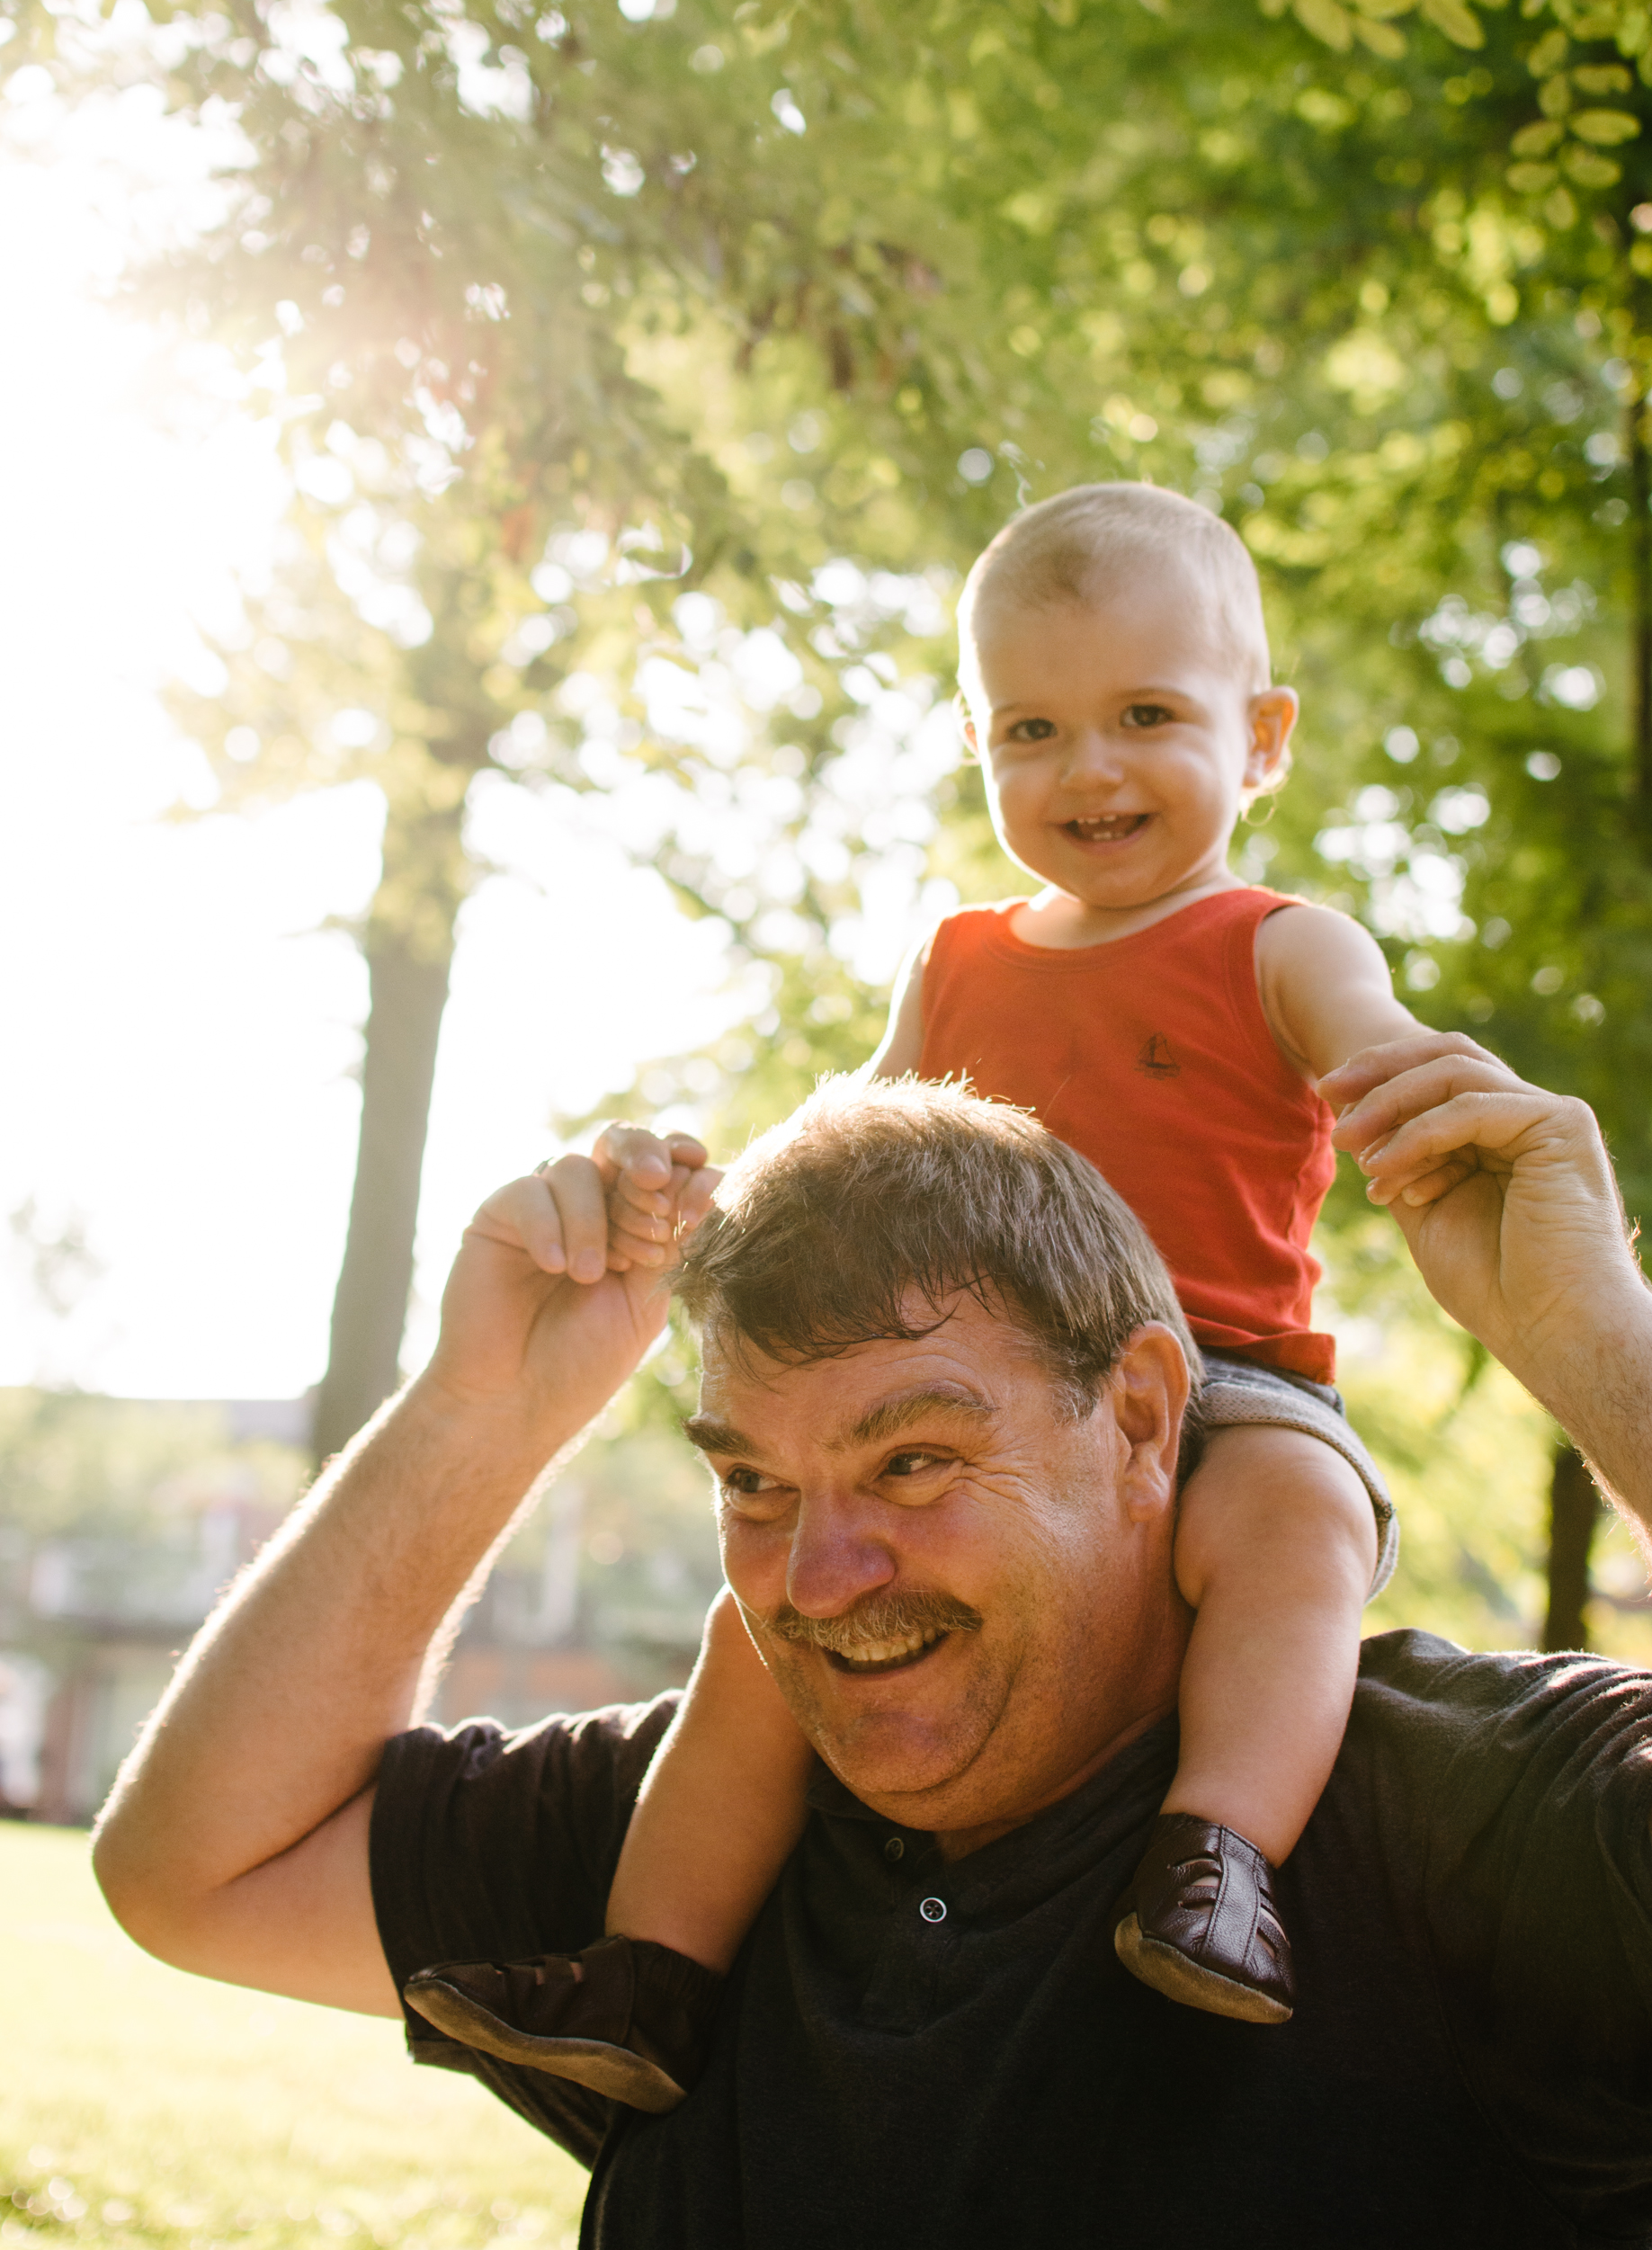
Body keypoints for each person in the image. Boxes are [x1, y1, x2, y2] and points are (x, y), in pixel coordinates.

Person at [93, 1046, 1652, 2247]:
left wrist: (1600, 1345)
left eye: (914, 1460)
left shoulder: (1446, 1810)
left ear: (1140, 1418)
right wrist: (486, 1410)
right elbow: (196, 1867)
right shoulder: (701, 1841)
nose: (818, 1576)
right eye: (753, 1480)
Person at [408, 481, 1439, 2100]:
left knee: (1299, 1529)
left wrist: (1455, 1116)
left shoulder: (1280, 947)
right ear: (977, 746)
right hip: (967, 1409)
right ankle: (648, 1976)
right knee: (770, 1632)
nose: (1088, 769)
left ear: (1262, 740)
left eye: (1146, 715)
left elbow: (1393, 1062)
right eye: (1031, 729)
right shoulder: (961, 960)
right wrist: (701, 1197)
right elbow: (849, 1136)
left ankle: (1217, 1868)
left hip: (1227, 1379)